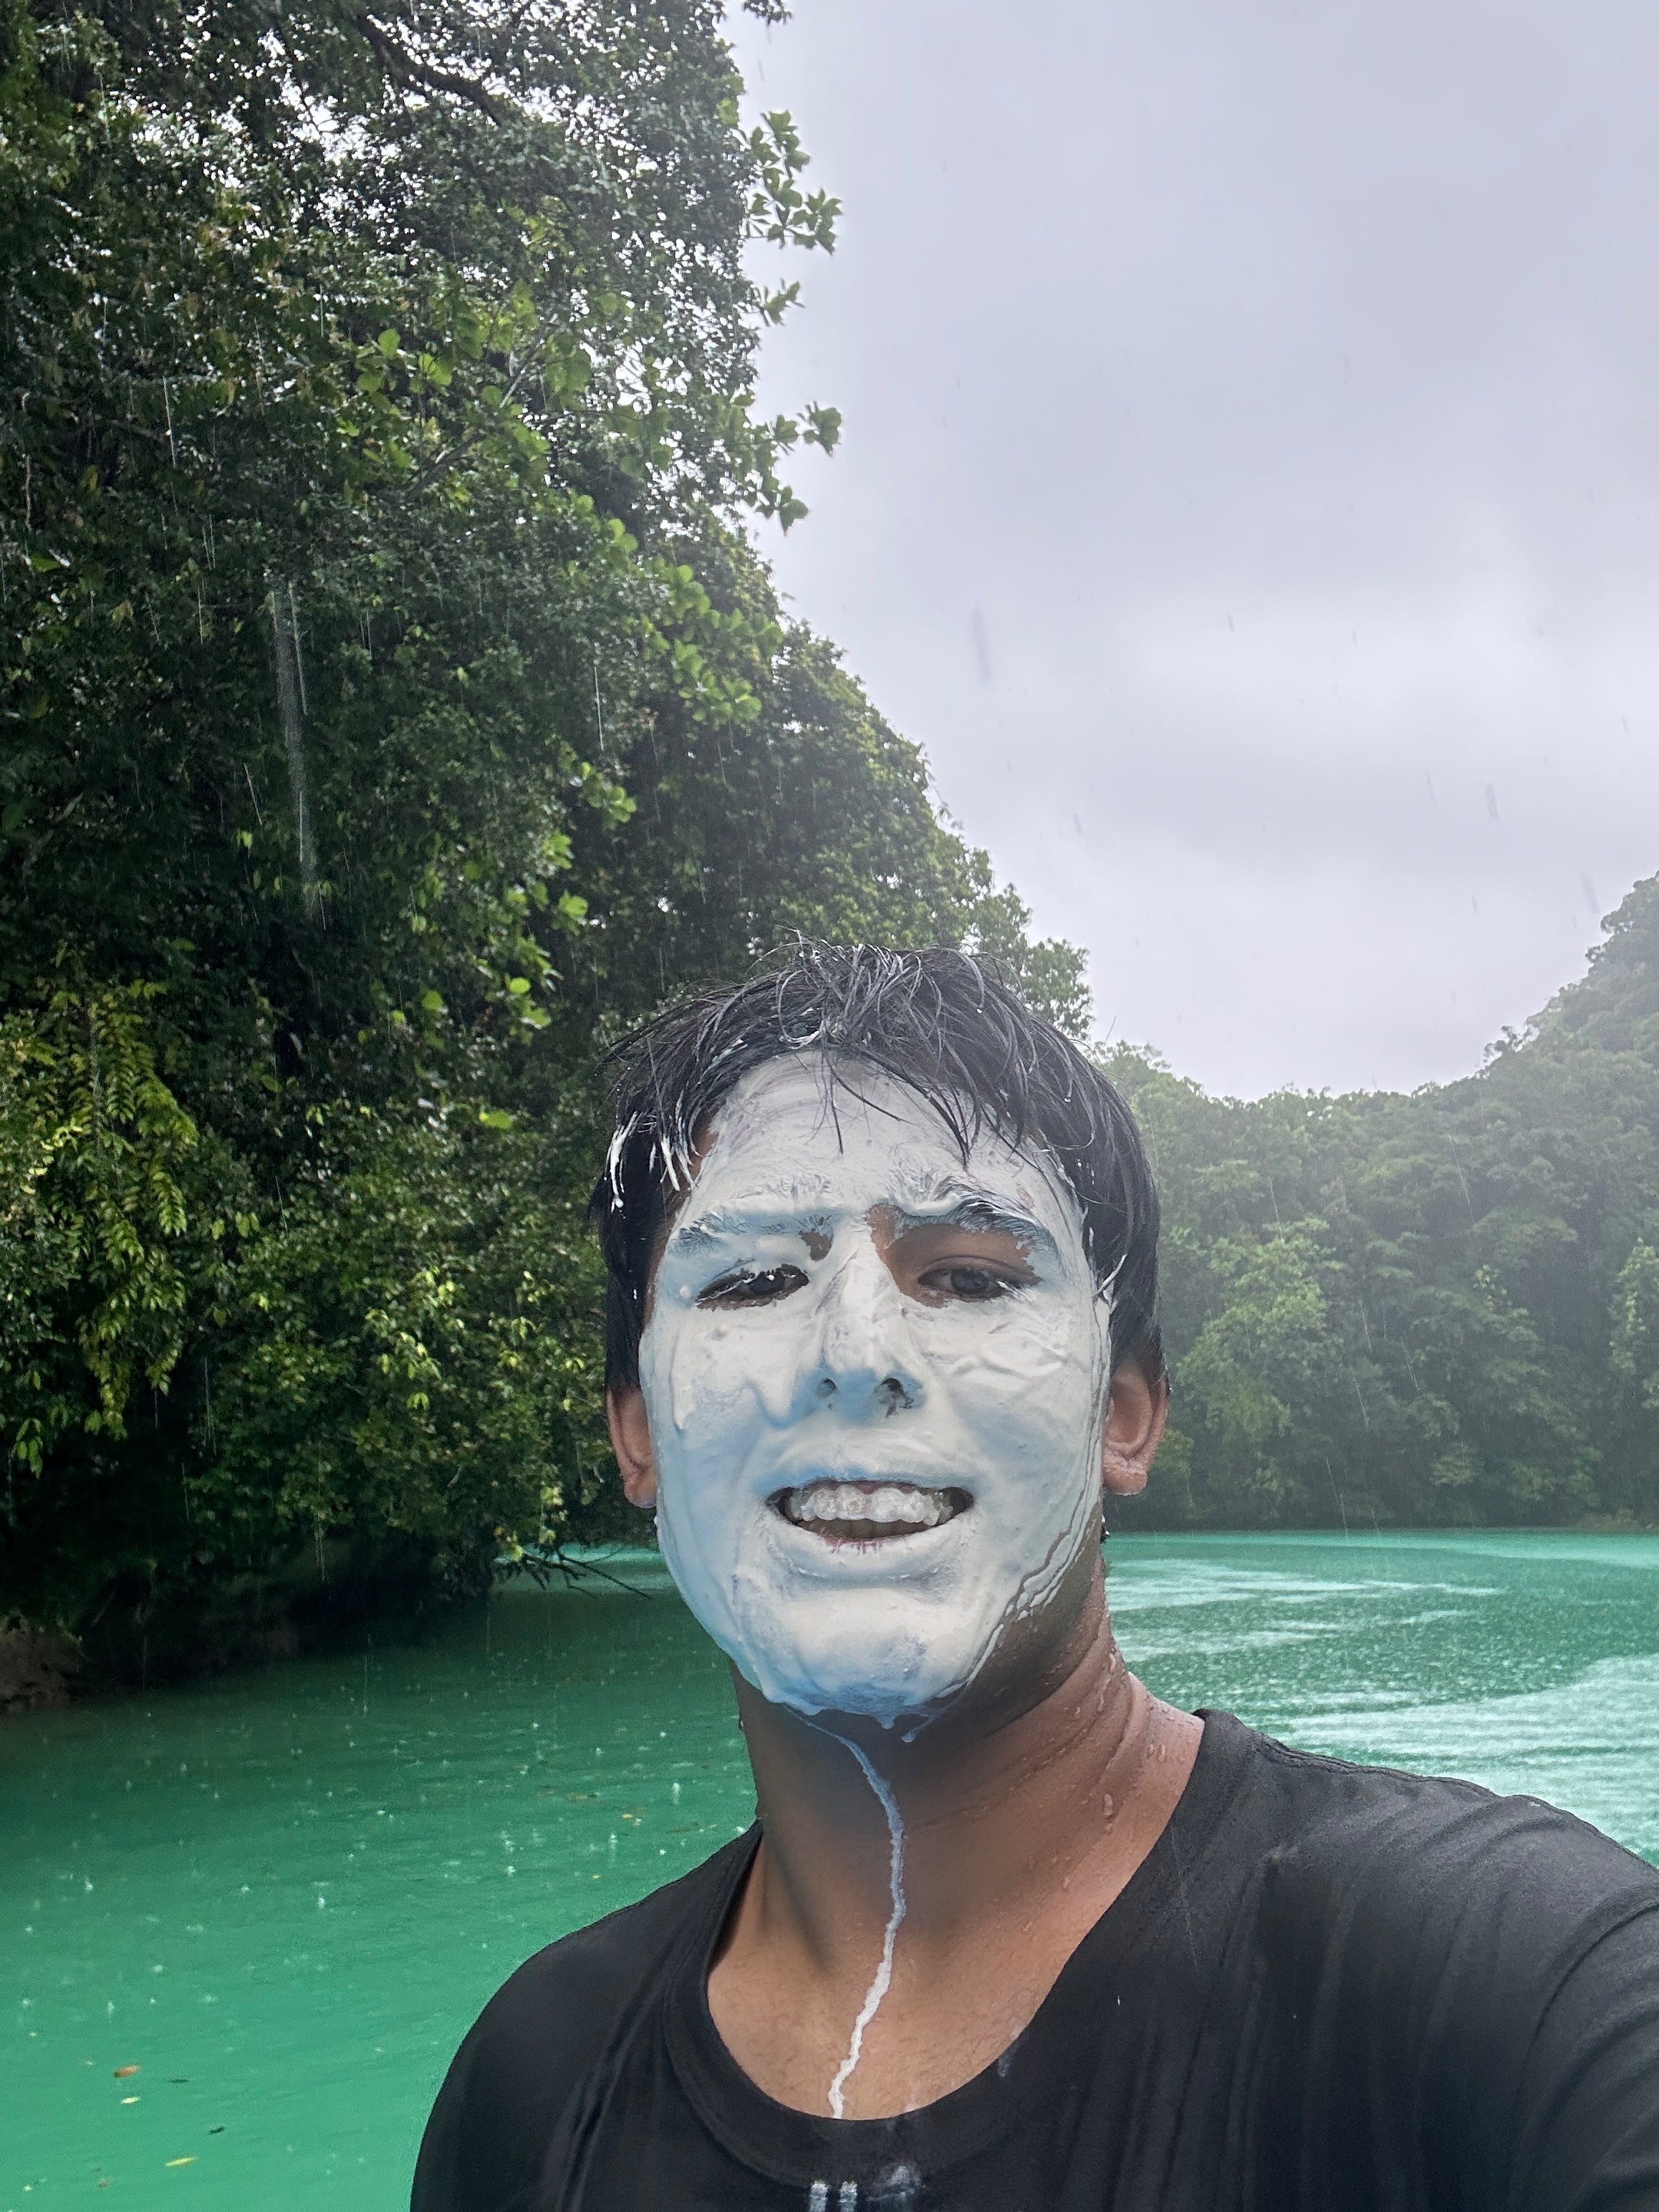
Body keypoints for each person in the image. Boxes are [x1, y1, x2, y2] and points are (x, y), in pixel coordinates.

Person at [413, 943, 1659, 2211]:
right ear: (638, 1430)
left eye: (968, 1276)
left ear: (1123, 1412)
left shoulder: (1505, 1991)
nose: (854, 1354)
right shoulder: (536, 2088)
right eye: (752, 1279)